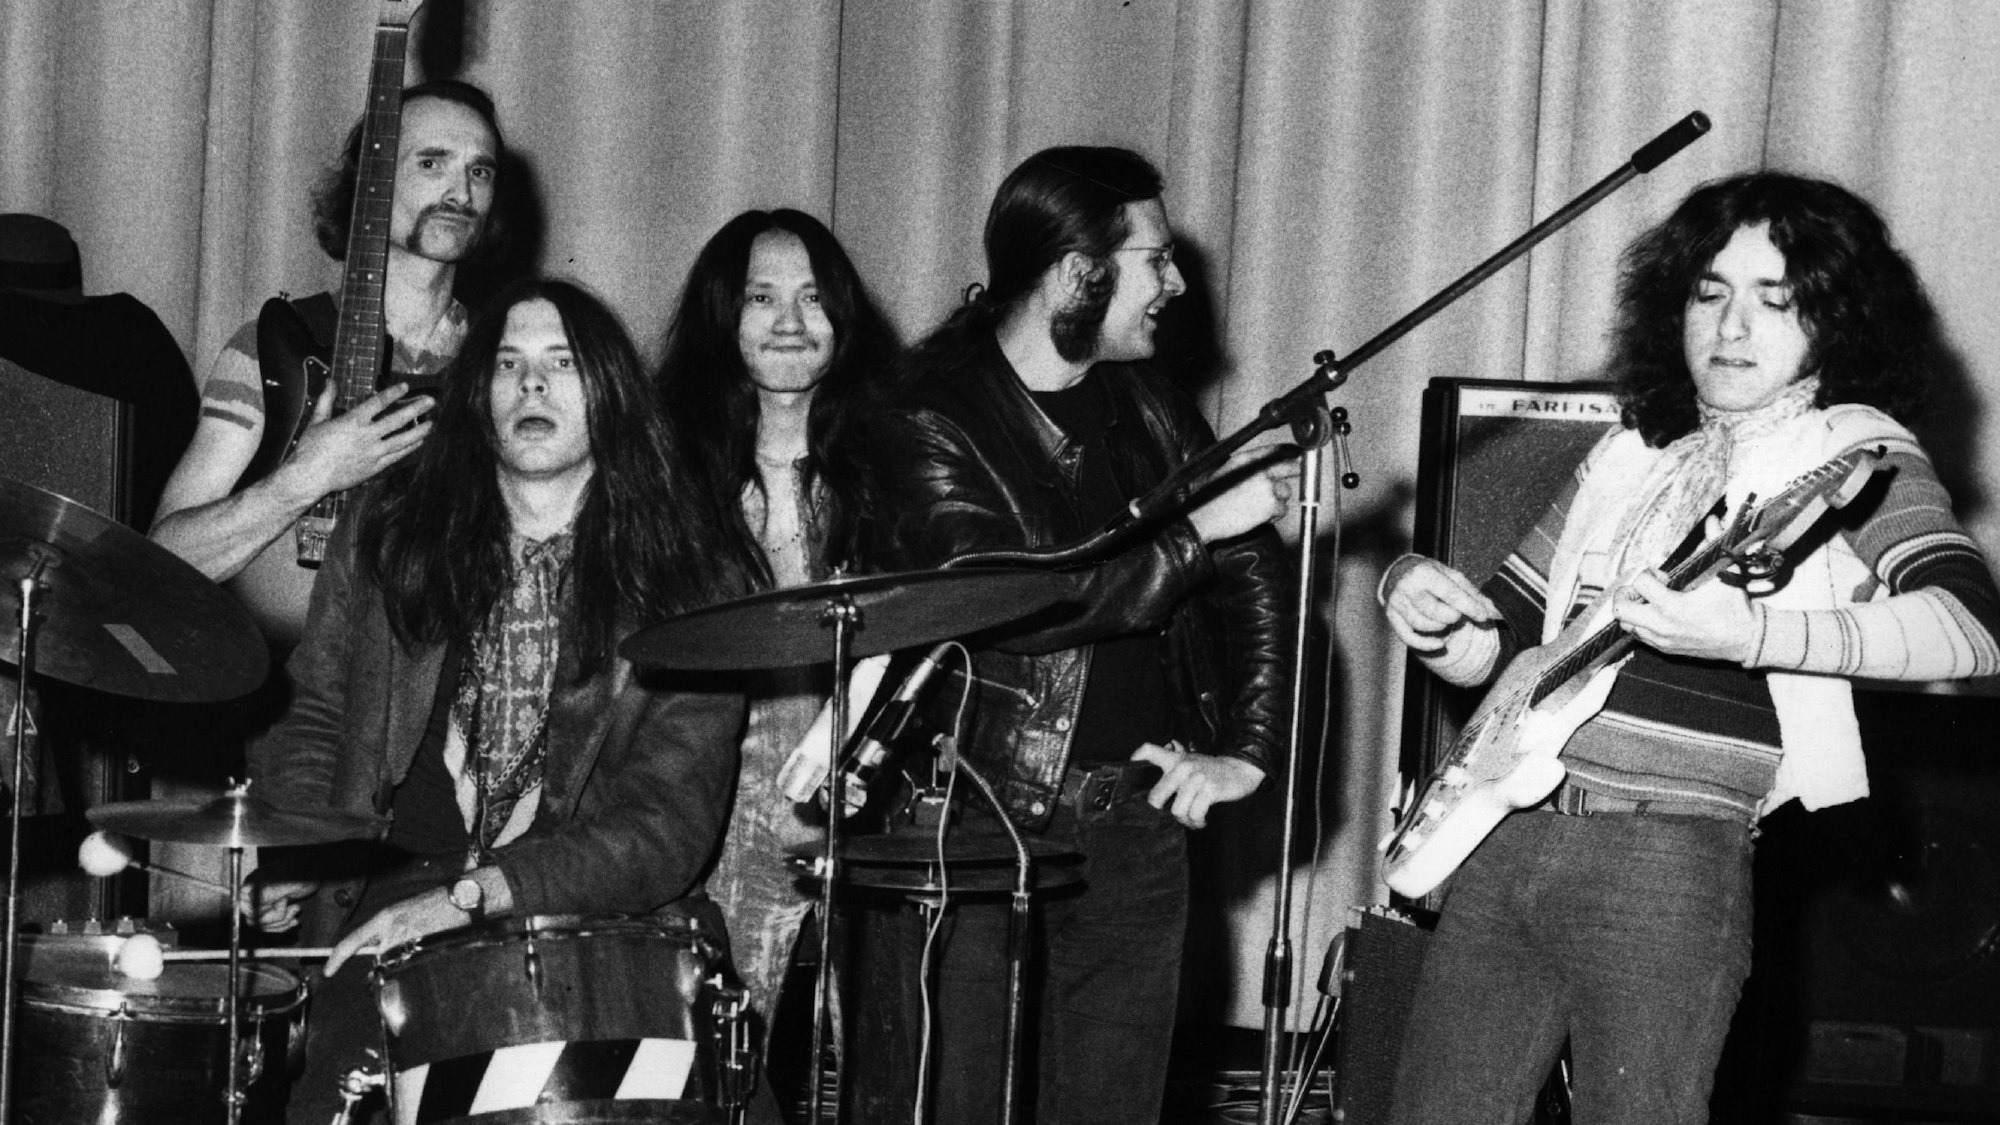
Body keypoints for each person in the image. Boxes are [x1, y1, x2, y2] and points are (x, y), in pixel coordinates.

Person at [1380, 172, 2000, 1124]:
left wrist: (1750, 631)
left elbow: (1972, 630)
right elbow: (1500, 641)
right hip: (1509, 836)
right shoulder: (1631, 456)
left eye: (1774, 300)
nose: (1731, 328)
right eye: (1709, 294)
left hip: (1667, 859)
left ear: (1838, 321)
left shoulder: (1854, 452)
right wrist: (1434, 614)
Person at [245, 278, 751, 1123]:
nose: (532, 385)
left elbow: (668, 824)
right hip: (391, 891)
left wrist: (477, 896)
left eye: (562, 364)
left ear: (612, 394)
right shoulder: (389, 531)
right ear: (478, 397)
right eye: (509, 363)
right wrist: (294, 848)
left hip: (592, 915)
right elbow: (318, 709)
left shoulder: (691, 578)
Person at [880, 145, 1293, 1124]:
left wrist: (1248, 750)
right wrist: (1193, 536)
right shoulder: (925, 413)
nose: (1177, 282)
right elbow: (1010, 599)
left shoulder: (1148, 404)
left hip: (1133, 826)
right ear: (1076, 273)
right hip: (970, 822)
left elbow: (1252, 576)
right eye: (1154, 259)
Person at [654, 207, 899, 1115]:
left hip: (865, 811)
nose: (790, 321)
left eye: (812, 299)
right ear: (724, 317)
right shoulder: (667, 471)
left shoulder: (897, 464)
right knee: (716, 1072)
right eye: (762, 298)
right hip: (711, 815)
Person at [151, 79, 510, 648]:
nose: (460, 192)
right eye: (432, 162)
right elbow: (162, 566)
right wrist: (308, 478)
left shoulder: (508, 361)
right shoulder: (274, 347)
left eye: (480, 171)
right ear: (368, 186)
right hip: (282, 699)